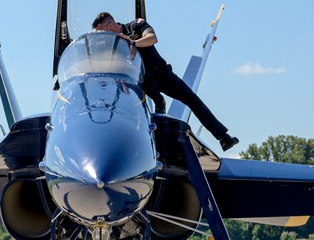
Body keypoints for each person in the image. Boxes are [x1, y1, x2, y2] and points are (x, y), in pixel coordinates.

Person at [92, 12, 239, 151]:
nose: (103, 36)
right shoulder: (113, 44)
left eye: (102, 31)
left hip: (162, 73)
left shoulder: (136, 25)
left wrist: (133, 42)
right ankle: (158, 106)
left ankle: (223, 137)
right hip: (143, 80)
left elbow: (152, 38)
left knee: (191, 98)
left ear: (110, 25)